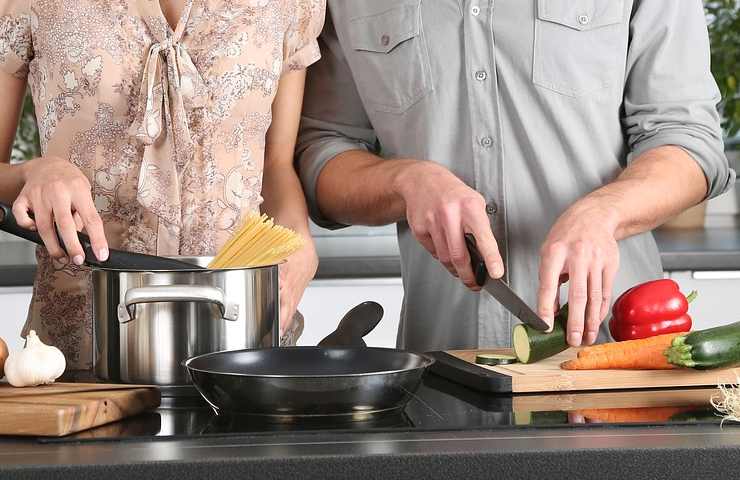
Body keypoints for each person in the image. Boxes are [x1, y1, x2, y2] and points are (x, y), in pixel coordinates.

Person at [296, 1, 736, 352]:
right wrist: (407, 181)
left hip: (621, 357)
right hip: (444, 365)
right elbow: (321, 152)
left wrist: (605, 212)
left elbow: (689, 142)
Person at [0, 0, 325, 369]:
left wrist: (298, 237)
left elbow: (276, 164)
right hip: (80, 355)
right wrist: (35, 173)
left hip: (241, 346)